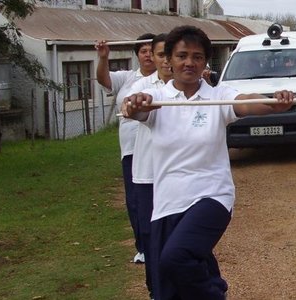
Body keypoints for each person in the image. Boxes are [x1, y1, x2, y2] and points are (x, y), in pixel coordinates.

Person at [122, 25, 294, 299]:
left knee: (176, 257)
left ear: (205, 62)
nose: (189, 62)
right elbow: (132, 109)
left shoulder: (218, 96)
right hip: (167, 204)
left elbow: (248, 103)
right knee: (167, 288)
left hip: (211, 197)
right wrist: (134, 104)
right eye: (182, 55)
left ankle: (216, 294)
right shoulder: (158, 100)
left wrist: (275, 103)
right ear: (169, 59)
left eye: (197, 56)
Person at [95, 32, 156, 264]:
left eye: (153, 50)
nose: (148, 55)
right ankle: (142, 245)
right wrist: (103, 57)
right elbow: (104, 80)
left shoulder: (167, 81)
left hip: (156, 148)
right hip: (131, 149)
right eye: (143, 51)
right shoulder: (128, 79)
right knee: (134, 199)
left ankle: (159, 240)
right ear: (137, 55)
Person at [124, 33, 170, 297]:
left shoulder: (189, 87)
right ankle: (156, 290)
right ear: (151, 57)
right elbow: (131, 106)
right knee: (151, 236)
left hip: (176, 174)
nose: (165, 61)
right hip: (147, 175)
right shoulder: (141, 86)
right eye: (160, 54)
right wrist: (133, 105)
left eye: (169, 54)